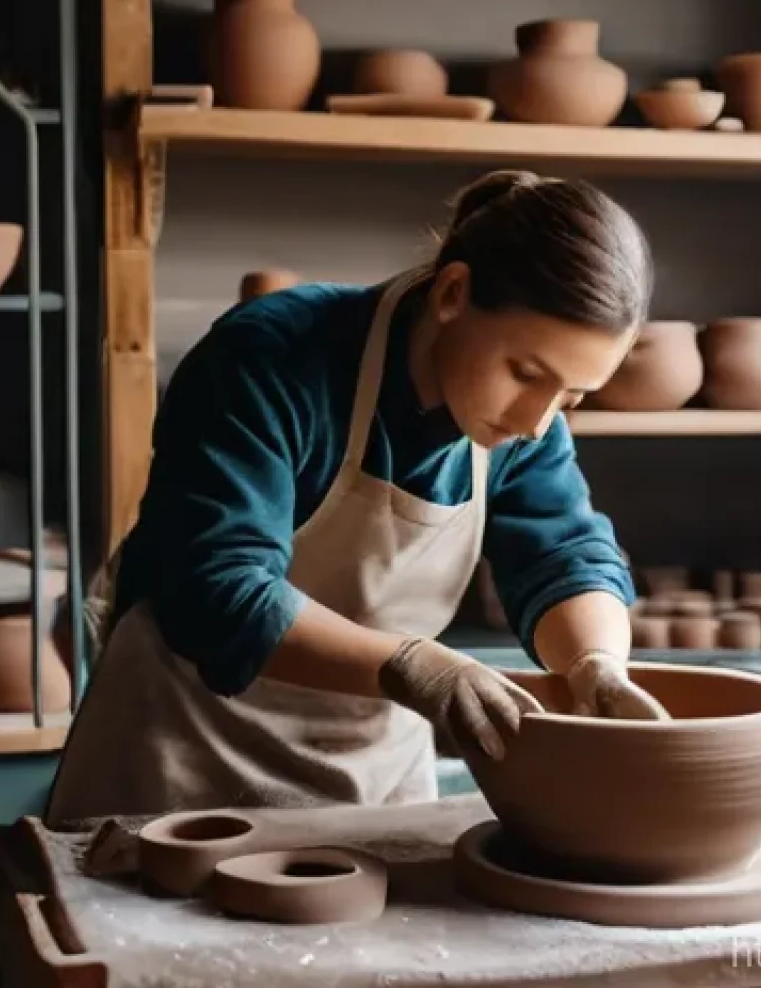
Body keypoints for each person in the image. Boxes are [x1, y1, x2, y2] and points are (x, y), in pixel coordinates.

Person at [45, 168, 668, 826]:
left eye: (571, 398)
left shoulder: (527, 426)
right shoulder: (270, 357)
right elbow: (217, 586)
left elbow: (564, 554)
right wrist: (412, 666)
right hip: (186, 757)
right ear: (453, 292)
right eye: (526, 374)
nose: (535, 422)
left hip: (367, 770)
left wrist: (597, 664)